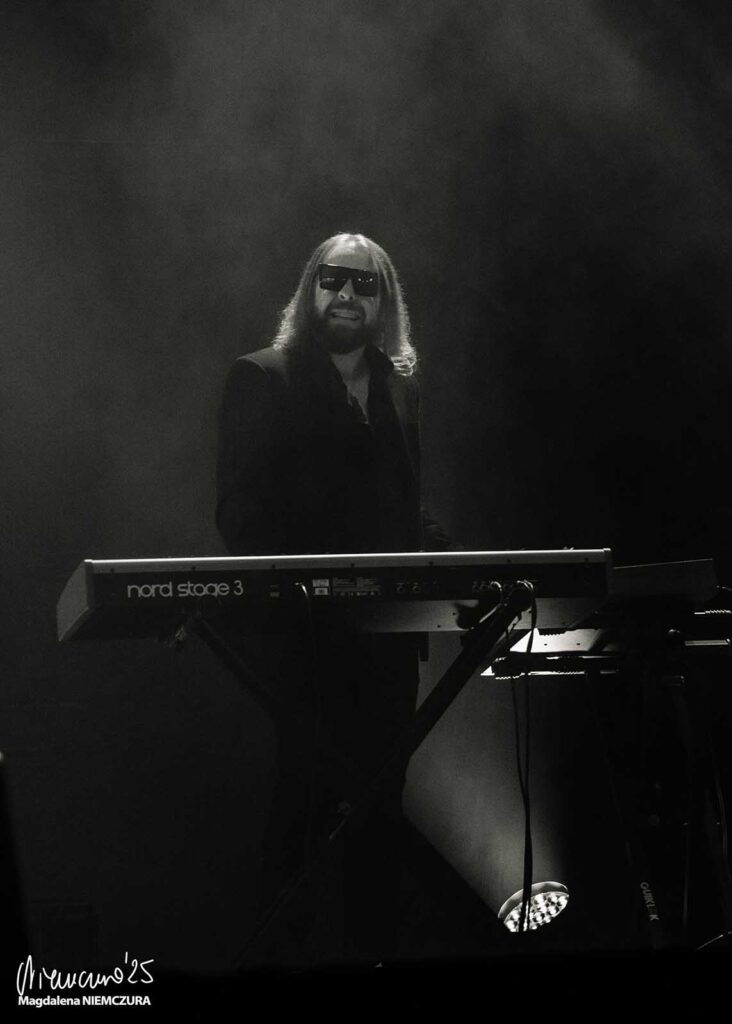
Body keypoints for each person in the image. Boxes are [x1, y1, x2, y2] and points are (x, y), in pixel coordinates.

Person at [215, 232, 451, 966]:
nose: (346, 294)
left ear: (385, 302)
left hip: (388, 645)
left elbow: (402, 508)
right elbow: (240, 516)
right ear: (310, 289)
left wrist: (452, 563)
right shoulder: (264, 378)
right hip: (307, 643)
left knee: (381, 822)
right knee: (303, 815)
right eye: (333, 279)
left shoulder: (400, 389)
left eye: (364, 283)